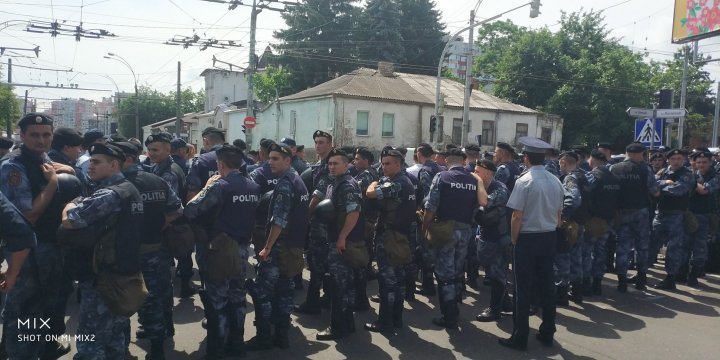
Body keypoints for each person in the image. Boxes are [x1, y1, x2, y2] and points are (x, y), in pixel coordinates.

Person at [0, 113, 76, 359]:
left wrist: (65, 170)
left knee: (44, 308)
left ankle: (39, 349)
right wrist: (53, 183)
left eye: (46, 135)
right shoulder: (14, 166)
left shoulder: (40, 158)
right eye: (34, 135)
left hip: (49, 248)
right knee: (22, 312)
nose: (41, 140)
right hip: (28, 252)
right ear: (21, 136)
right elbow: (28, 215)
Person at [61, 143, 144, 359]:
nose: (90, 166)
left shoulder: (110, 194)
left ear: (114, 164)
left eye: (97, 162)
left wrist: (71, 204)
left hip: (103, 277)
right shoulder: (128, 188)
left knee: (91, 339)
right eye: (90, 161)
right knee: (114, 336)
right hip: (122, 272)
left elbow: (70, 221)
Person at [185, 145, 260, 359]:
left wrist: (206, 186)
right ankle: (237, 344)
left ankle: (217, 349)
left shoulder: (220, 186)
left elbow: (191, 210)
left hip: (219, 249)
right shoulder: (253, 186)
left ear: (220, 164)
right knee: (237, 298)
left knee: (217, 299)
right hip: (243, 249)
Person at [114, 141, 183, 359]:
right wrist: (158, 227)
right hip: (156, 248)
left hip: (127, 252)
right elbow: (177, 209)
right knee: (159, 294)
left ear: (128, 159)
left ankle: (122, 348)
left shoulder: (116, 185)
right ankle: (158, 346)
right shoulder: (156, 180)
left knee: (123, 300)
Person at [498, 137, 563, 352]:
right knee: (547, 285)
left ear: (526, 158)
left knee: (522, 288)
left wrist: (515, 239)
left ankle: (520, 336)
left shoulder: (524, 181)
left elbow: (517, 215)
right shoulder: (555, 180)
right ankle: (547, 331)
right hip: (549, 236)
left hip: (527, 238)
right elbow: (559, 213)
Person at [246, 143, 309, 351]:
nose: (270, 162)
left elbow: (279, 220)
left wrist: (267, 247)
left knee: (263, 292)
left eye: (275, 159)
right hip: (293, 247)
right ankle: (282, 336)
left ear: (288, 160)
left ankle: (264, 337)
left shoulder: (285, 184)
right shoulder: (297, 179)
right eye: (269, 158)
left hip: (279, 248)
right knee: (285, 291)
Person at [422, 148, 480, 328]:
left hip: (446, 231)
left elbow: (431, 206)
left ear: (447, 161)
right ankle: (454, 307)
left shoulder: (443, 177)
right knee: (457, 269)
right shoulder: (473, 179)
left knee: (444, 273)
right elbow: (478, 206)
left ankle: (449, 316)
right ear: (463, 161)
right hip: (466, 231)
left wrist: (425, 227)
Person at [364, 149, 416, 333]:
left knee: (388, 281)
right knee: (397, 280)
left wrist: (373, 183)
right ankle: (396, 319)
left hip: (390, 238)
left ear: (398, 164)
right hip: (400, 236)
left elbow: (371, 193)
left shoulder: (398, 183)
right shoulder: (406, 181)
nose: (383, 167)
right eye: (382, 163)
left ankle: (385, 321)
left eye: (387, 164)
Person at [316, 148, 364, 340]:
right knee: (343, 284)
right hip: (335, 239)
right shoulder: (335, 183)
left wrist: (342, 237)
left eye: (336, 163)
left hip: (342, 243)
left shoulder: (347, 185)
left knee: (339, 285)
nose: (332, 167)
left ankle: (338, 327)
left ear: (346, 165)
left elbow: (354, 213)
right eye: (330, 163)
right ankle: (347, 323)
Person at [609, 142, 660, 292]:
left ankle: (622, 282)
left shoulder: (614, 168)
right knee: (642, 246)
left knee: (622, 247)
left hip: (621, 212)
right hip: (641, 212)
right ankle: (641, 279)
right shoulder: (645, 169)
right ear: (640, 154)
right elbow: (655, 191)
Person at [295, 130, 333, 315]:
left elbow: (318, 194)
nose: (318, 145)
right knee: (320, 261)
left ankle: (312, 303)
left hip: (323, 221)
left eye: (322, 142)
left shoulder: (330, 166)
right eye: (316, 142)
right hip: (319, 220)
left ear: (330, 144)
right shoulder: (320, 164)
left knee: (317, 262)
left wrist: (305, 216)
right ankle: (326, 297)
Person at [649, 148, 694, 290]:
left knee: (673, 248)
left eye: (679, 159)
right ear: (667, 160)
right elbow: (651, 184)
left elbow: (678, 190)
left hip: (677, 215)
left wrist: (660, 187)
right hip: (661, 213)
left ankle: (670, 278)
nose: (676, 161)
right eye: (673, 159)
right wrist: (665, 183)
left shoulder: (687, 174)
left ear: (683, 160)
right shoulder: (663, 172)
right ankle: (642, 272)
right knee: (651, 244)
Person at [473, 159, 511, 322]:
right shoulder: (485, 186)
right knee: (493, 271)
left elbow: (485, 202)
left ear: (488, 173)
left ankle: (495, 309)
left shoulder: (499, 188)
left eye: (478, 171)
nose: (474, 174)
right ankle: (506, 303)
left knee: (497, 274)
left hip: (499, 238)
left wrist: (479, 182)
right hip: (488, 236)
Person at [585, 150, 620, 295]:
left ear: (592, 160)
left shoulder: (593, 176)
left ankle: (586, 283)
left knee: (587, 252)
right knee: (601, 251)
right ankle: (597, 283)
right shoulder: (614, 177)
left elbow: (586, 195)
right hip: (609, 219)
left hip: (594, 220)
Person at [352, 147, 379, 311]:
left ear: (366, 161)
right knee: (366, 250)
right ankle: (367, 272)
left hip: (364, 218)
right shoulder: (371, 173)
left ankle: (361, 299)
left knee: (360, 255)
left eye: (357, 159)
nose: (355, 162)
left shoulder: (366, 175)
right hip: (369, 218)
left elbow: (357, 193)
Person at [414, 143, 442, 297]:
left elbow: (427, 197)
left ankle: (428, 285)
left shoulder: (425, 170)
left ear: (419, 154)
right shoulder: (439, 168)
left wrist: (424, 217)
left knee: (425, 251)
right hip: (439, 216)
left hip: (428, 215)